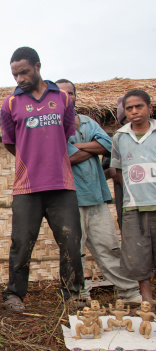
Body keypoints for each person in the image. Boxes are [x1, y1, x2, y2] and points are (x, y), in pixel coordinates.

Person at [0, 47, 83, 312]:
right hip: (26, 187)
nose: (20, 79)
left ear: (37, 66)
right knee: (21, 242)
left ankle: (73, 294)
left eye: (24, 72)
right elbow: (11, 143)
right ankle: (14, 294)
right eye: (15, 75)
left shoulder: (63, 99)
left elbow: (67, 133)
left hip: (62, 185)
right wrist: (31, 161)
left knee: (70, 240)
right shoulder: (10, 103)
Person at [57, 79, 141, 304]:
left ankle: (129, 292)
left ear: (76, 96)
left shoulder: (87, 122)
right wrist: (90, 148)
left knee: (110, 248)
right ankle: (77, 296)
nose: (67, 97)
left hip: (96, 197)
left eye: (71, 93)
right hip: (69, 200)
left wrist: (78, 147)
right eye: (62, 93)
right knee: (74, 253)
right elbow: (65, 157)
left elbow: (107, 145)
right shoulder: (53, 127)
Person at [110, 89, 156, 305]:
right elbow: (116, 171)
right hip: (134, 207)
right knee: (138, 256)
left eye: (139, 106)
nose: (134, 111)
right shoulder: (120, 137)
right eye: (129, 108)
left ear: (149, 108)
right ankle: (146, 300)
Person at [102, 97, 129, 229]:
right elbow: (106, 172)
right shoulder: (117, 140)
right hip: (126, 198)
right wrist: (115, 170)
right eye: (125, 119)